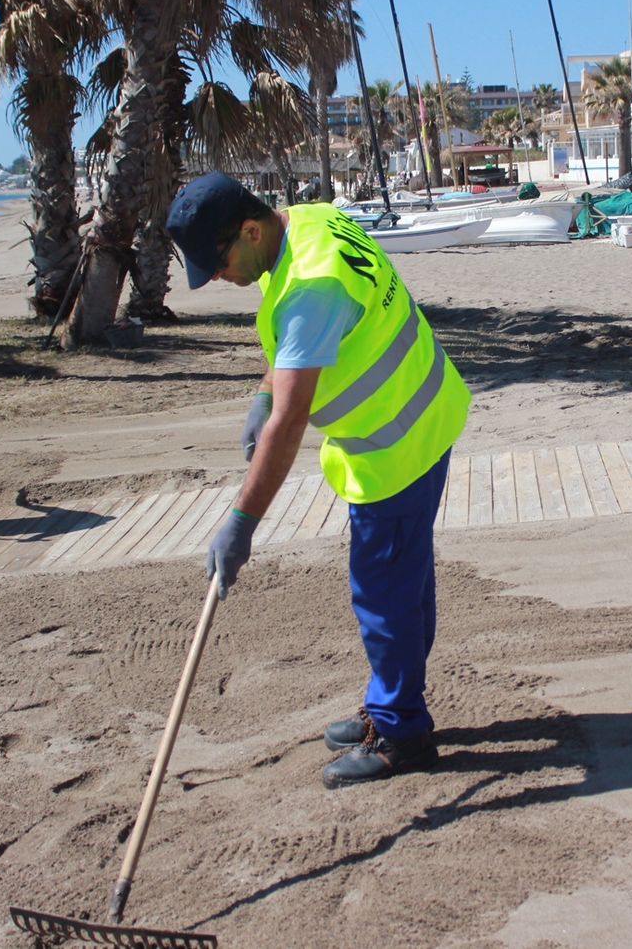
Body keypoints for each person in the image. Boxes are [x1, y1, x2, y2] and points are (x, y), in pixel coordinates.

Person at [167, 172, 469, 789]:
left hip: (395, 448)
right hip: (425, 411)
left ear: (249, 231)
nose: (219, 280)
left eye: (218, 264)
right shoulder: (307, 222)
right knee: (406, 587)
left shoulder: (311, 284)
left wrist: (242, 523)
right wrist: (261, 390)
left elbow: (290, 421)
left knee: (384, 596)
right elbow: (293, 344)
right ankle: (393, 700)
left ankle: (401, 734)